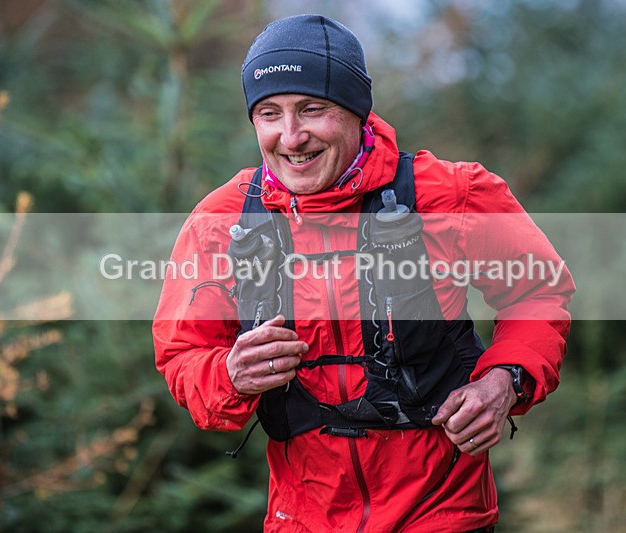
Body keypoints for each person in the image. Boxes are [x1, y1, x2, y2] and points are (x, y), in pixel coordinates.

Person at [153, 14, 575, 533]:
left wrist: (504, 380)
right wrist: (229, 374)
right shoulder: (220, 221)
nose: (291, 136)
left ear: (356, 110)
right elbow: (182, 356)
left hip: (442, 512)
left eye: (312, 109)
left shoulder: (454, 194)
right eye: (269, 113)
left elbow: (539, 293)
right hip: (301, 519)